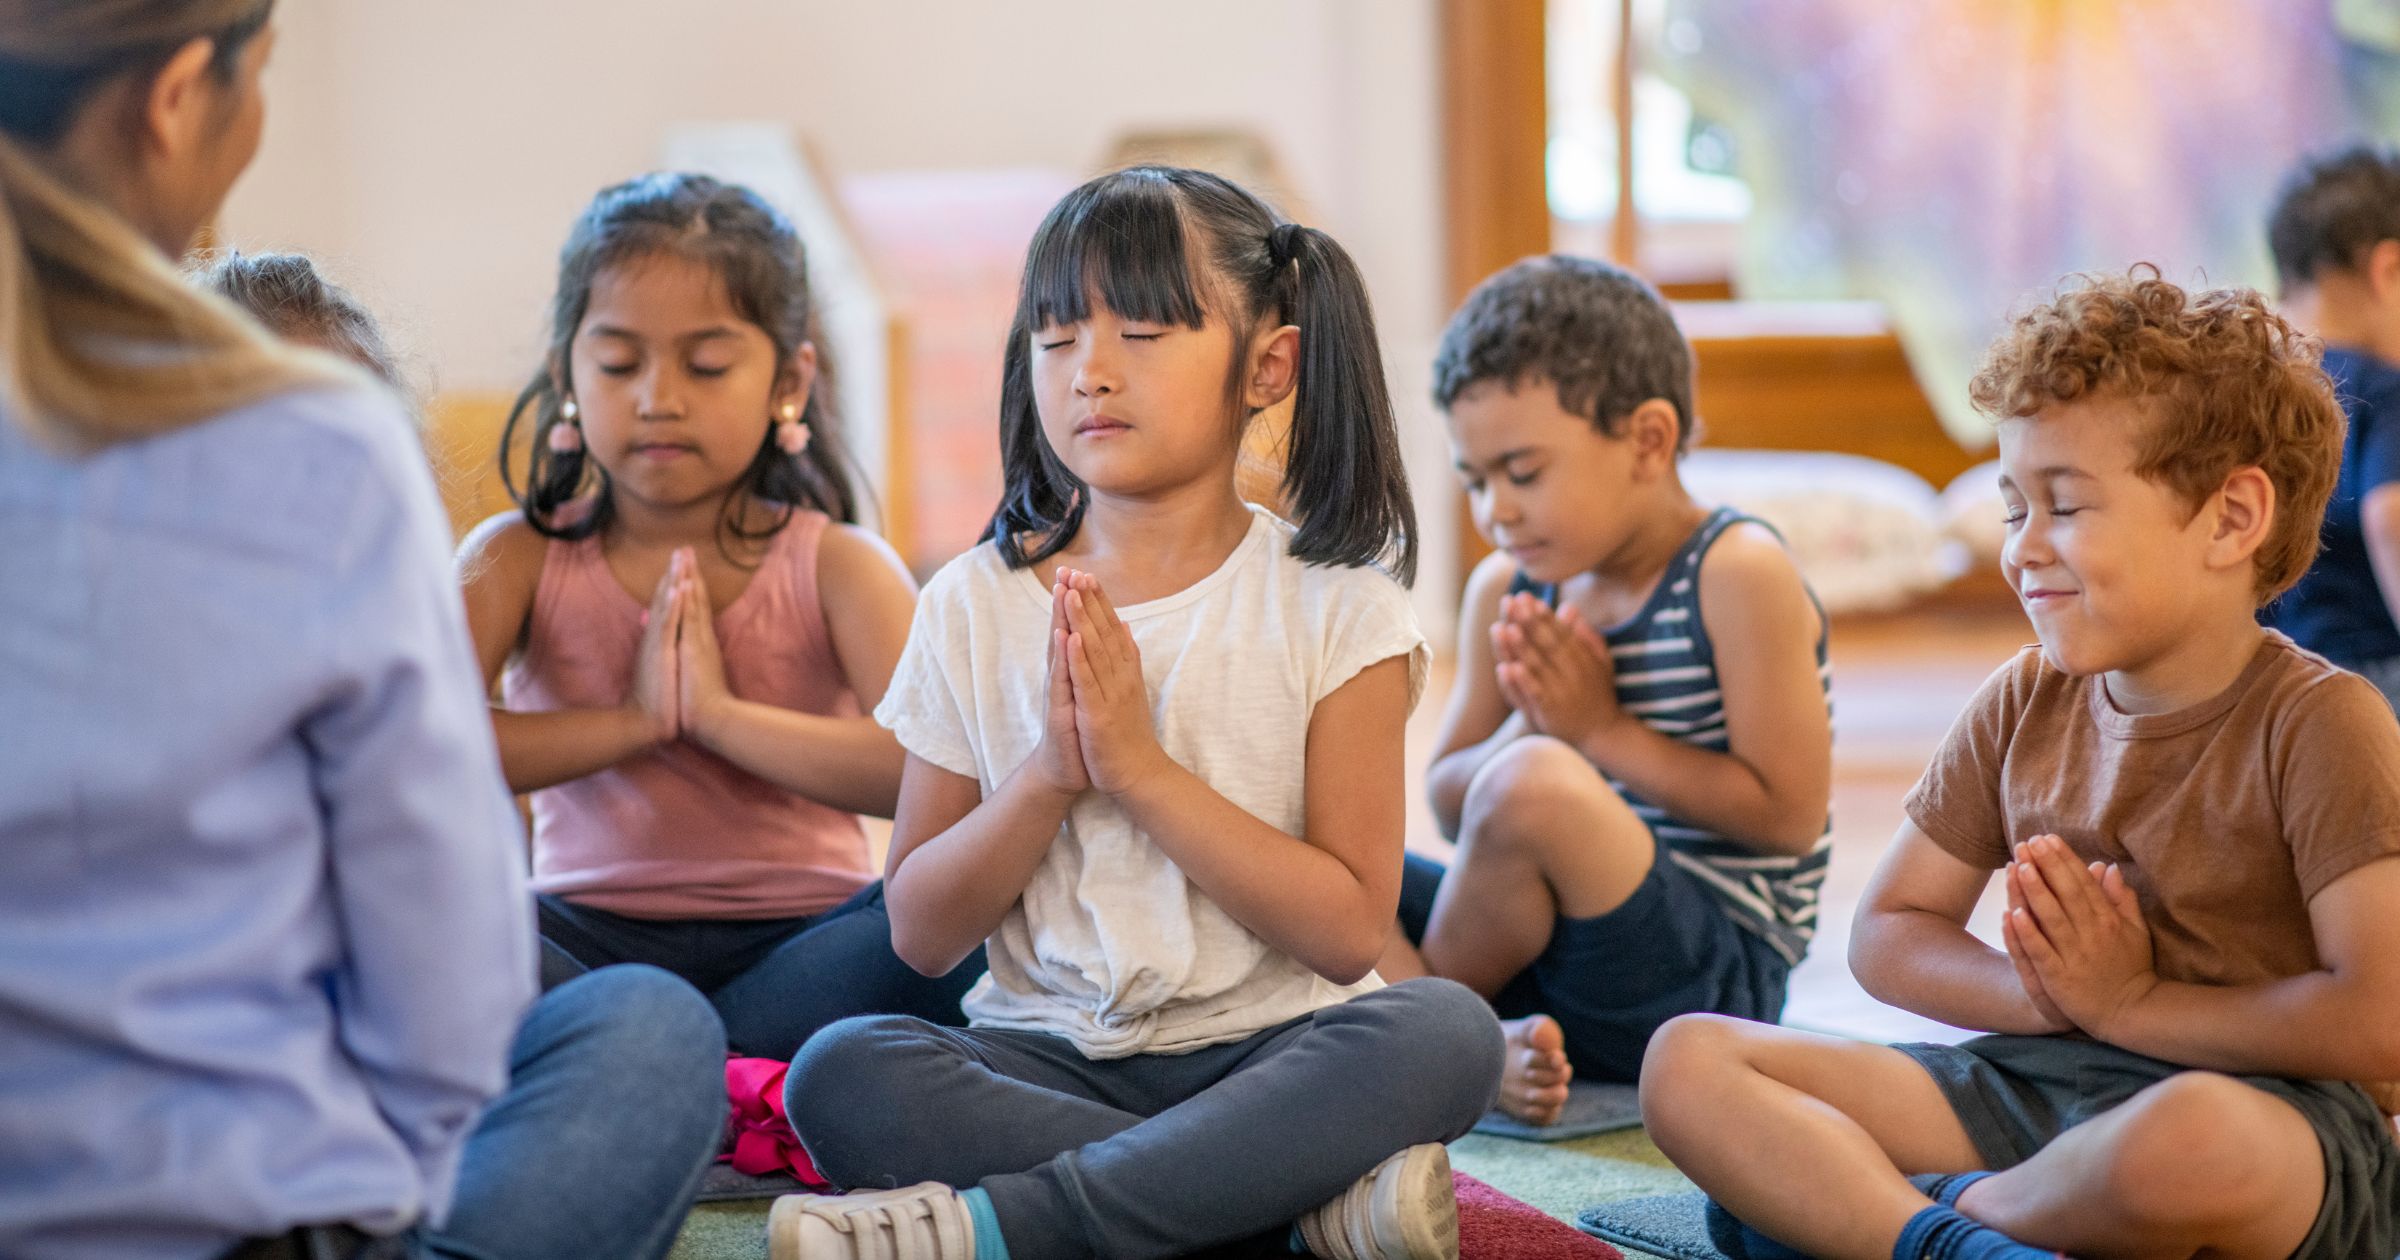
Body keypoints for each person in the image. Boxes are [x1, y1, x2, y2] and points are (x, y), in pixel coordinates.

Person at [0, 5, 725, 1259]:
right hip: (248, 1206)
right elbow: (446, 1010)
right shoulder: (318, 454)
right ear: (177, 97)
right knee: (648, 1033)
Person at [767, 166, 1505, 1260]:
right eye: (1056, 337)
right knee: (841, 1072)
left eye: (1144, 332)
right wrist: (1052, 775)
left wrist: (1140, 771)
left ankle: (1009, 1225)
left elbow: (1350, 928)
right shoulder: (973, 603)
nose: (1091, 372)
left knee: (1447, 1031)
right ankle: (1278, 1208)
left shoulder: (1340, 607)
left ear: (1269, 366)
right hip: (1042, 1052)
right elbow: (921, 931)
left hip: (1270, 1053)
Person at [1642, 269, 2400, 1260]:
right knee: (1689, 1063)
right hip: (2035, 1078)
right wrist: (2047, 999)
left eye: (2067, 507)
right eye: (2013, 509)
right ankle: (1948, 1242)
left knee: (2193, 1144)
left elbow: (2378, 1018)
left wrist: (2135, 1007)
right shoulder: (2022, 697)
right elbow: (1890, 933)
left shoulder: (2322, 721)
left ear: (2230, 518)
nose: (2023, 550)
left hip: (2263, 1113)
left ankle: (1903, 1215)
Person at [457, 172, 981, 1060]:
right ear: (566, 373)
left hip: (802, 948)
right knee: (438, 924)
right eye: (620, 363)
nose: (659, 397)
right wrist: (634, 723)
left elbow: (932, 771)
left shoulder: (839, 564)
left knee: (952, 926)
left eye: (706, 365)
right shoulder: (515, 557)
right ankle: (702, 1072)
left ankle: (670, 1072)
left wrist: (720, 718)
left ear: (789, 378)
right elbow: (422, 742)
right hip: (583, 950)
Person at [1382, 255, 1832, 1125]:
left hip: (1701, 983)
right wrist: (1535, 721)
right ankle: (1463, 1036)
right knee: (1337, 860)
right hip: (1540, 954)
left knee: (1535, 788)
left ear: (1648, 442)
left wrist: (1598, 731)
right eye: (1475, 480)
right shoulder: (1511, 591)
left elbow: (1787, 814)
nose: (1497, 512)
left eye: (1523, 471)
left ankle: (1427, 1043)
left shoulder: (1737, 574)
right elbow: (1448, 805)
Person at [2265, 144, 2400, 710]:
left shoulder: (2247, 392)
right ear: (2389, 269)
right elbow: (2391, 518)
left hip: (2265, 680)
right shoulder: (2381, 390)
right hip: (2370, 682)